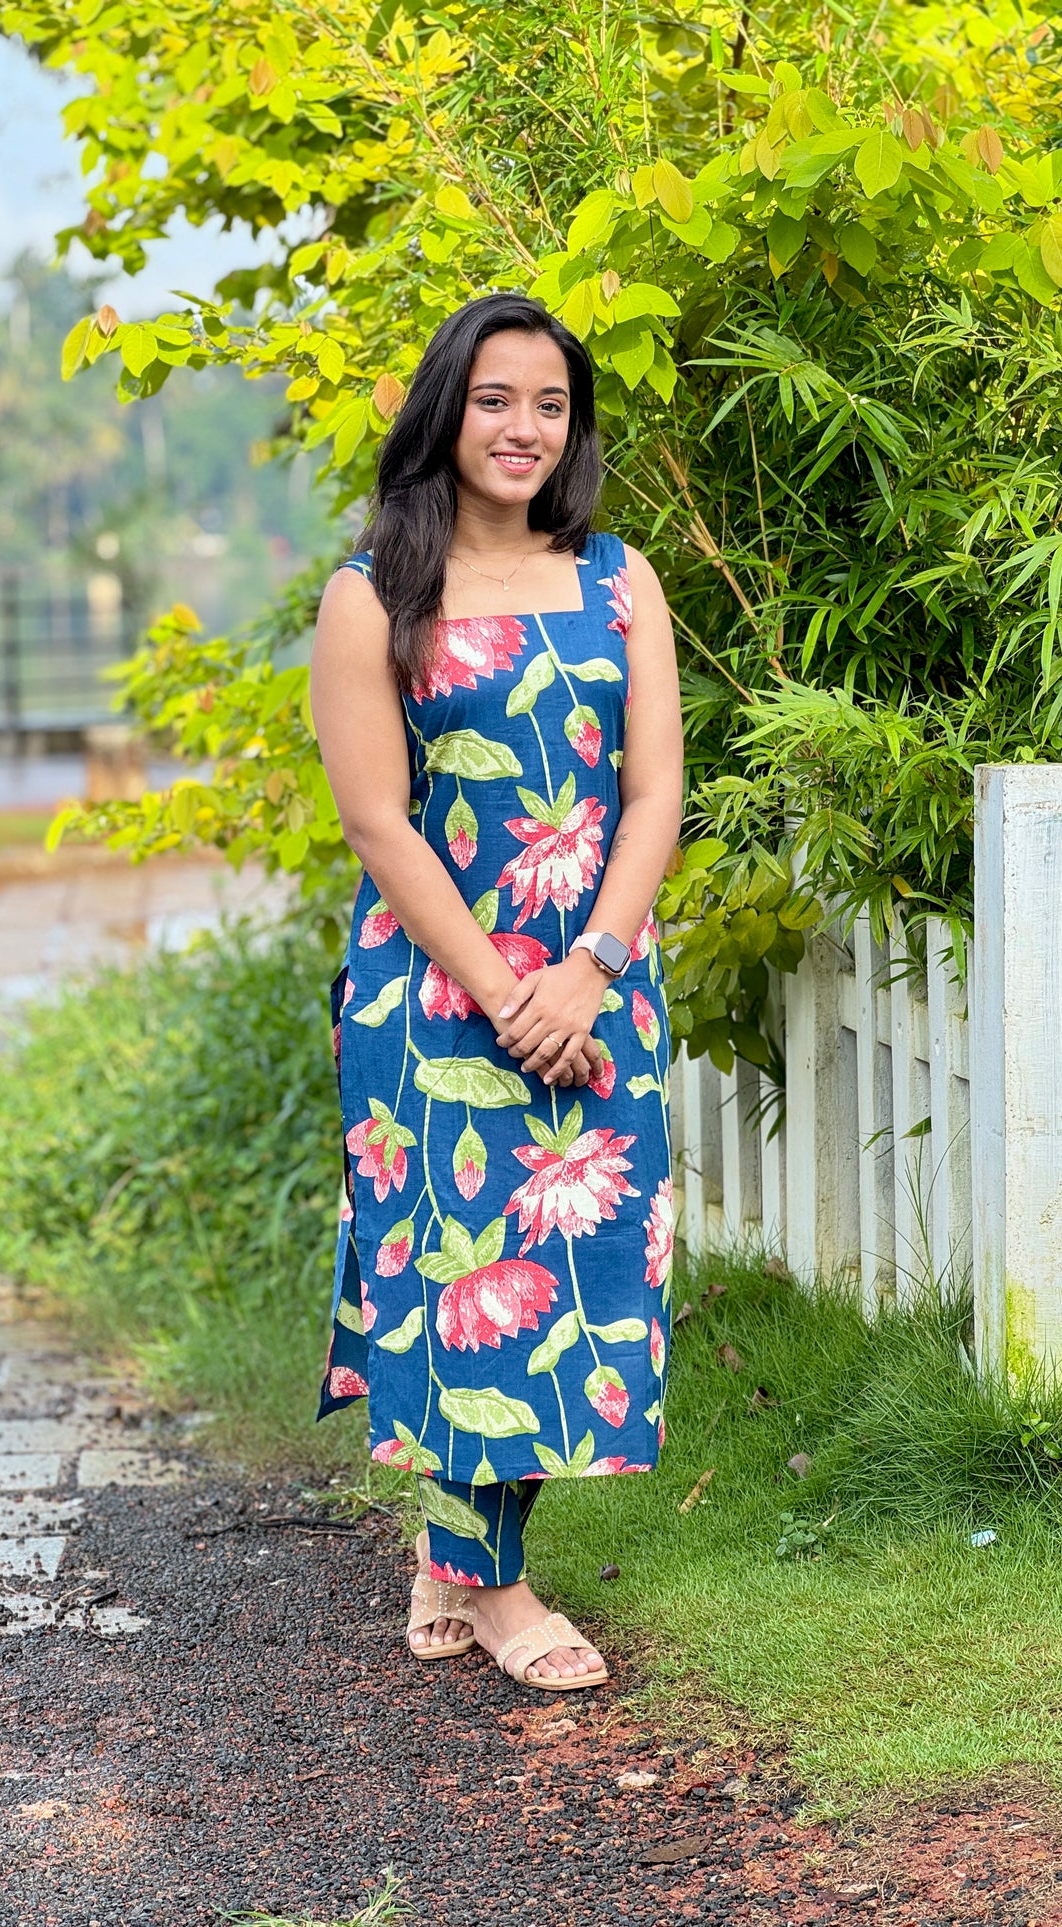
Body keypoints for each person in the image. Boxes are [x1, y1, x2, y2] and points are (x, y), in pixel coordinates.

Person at [311, 292, 682, 1692]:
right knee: (466, 1275)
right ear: (444, 413)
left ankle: (448, 1556)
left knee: (570, 1281)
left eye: (549, 403)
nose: (524, 427)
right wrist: (501, 991)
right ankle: (502, 1588)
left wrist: (584, 968)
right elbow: (379, 826)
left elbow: (654, 794)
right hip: (433, 996)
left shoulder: (618, 580)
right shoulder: (372, 598)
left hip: (598, 982)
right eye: (494, 399)